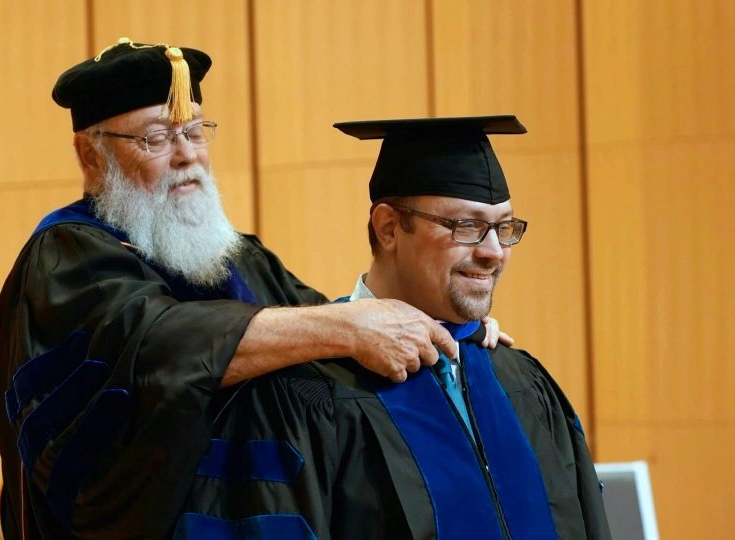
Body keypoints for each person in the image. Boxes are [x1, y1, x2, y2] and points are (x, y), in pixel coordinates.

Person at [0, 38, 509, 539]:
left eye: (195, 132)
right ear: (91, 155)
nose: (186, 155)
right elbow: (149, 349)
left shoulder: (235, 257)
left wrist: (440, 326)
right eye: (157, 137)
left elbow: (327, 340)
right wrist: (342, 325)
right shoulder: (66, 256)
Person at [173, 116, 612, 540]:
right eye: (468, 227)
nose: (494, 252)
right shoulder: (298, 395)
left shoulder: (524, 384)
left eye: (504, 227)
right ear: (387, 228)